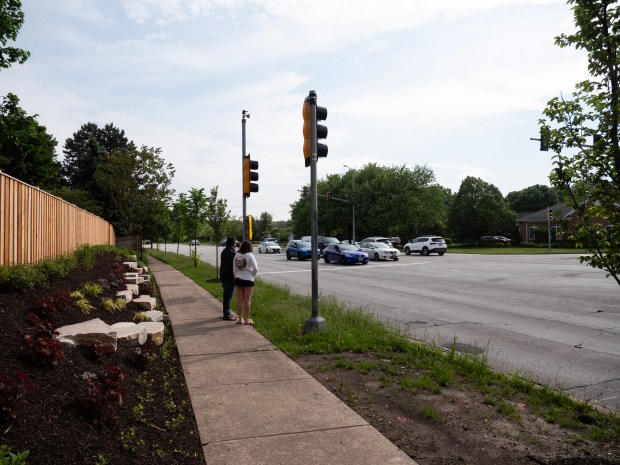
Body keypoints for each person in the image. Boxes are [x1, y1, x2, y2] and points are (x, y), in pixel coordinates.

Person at [233, 240, 258, 325]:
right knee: (247, 300)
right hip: (248, 279)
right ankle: (247, 319)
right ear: (249, 247)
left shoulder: (236, 255)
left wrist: (236, 276)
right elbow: (255, 268)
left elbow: (234, 268)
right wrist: (252, 275)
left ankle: (240, 319)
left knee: (240, 299)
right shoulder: (250, 255)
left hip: (238, 279)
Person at [220, 236, 238, 321]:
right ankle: (226, 315)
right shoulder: (232, 253)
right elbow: (235, 265)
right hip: (229, 277)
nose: (236, 244)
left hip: (224, 276)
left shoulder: (224, 251)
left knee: (226, 295)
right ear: (232, 244)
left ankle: (227, 312)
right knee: (227, 296)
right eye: (235, 243)